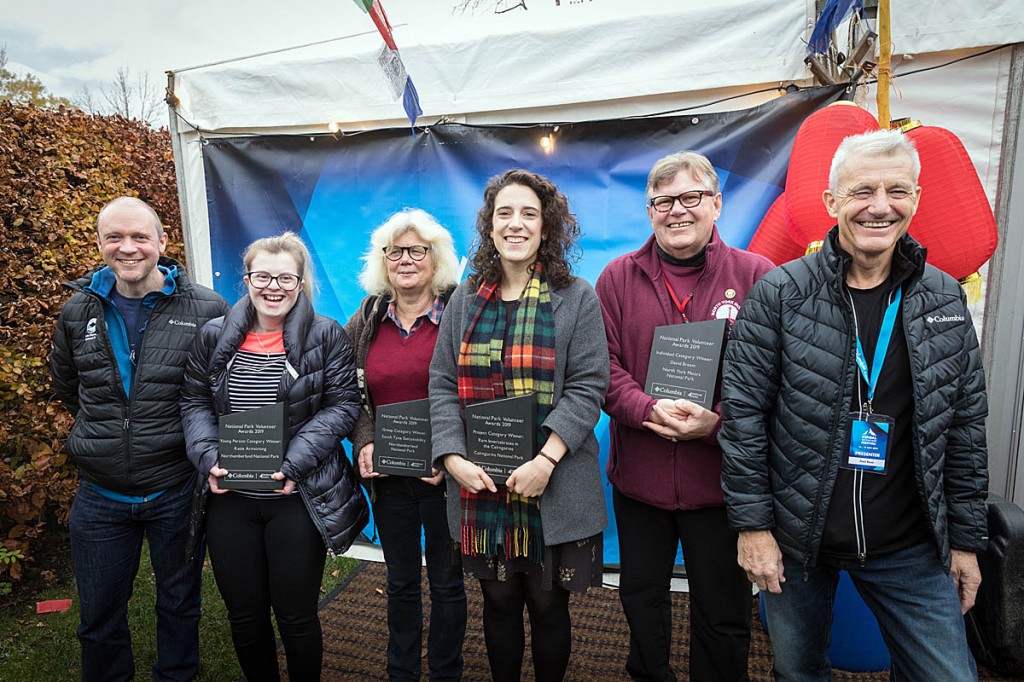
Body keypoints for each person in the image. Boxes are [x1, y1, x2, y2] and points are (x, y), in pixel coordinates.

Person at [719, 129, 989, 681]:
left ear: (915, 200)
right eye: (863, 189)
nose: (880, 206)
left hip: (909, 540)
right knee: (798, 670)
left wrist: (965, 542)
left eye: (898, 191)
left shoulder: (943, 297)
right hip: (798, 537)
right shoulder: (781, 293)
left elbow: (964, 427)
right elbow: (743, 416)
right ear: (832, 202)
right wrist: (753, 527)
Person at [595, 152, 774, 681]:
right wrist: (645, 408)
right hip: (640, 485)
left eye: (691, 197)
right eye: (664, 201)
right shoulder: (617, 278)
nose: (678, 210)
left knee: (723, 615)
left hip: (721, 488)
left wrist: (715, 423)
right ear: (650, 211)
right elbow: (600, 368)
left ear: (716, 204)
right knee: (641, 603)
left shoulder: (757, 276)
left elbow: (772, 382)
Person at [429, 169, 609, 682]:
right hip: (481, 486)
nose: (516, 224)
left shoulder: (577, 296)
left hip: (551, 482)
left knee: (550, 607)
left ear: (546, 228)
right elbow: (441, 381)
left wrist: (546, 461)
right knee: (499, 604)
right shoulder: (465, 297)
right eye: (504, 213)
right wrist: (451, 456)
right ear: (490, 227)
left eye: (529, 214)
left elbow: (588, 386)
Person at [50, 196, 229, 682]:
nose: (128, 248)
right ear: (100, 243)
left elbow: (221, 393)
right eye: (115, 237)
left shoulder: (207, 308)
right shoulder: (76, 310)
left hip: (175, 489)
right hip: (100, 495)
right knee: (99, 618)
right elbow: (69, 386)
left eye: (139, 237)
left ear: (162, 242)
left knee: (179, 605)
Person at [180, 232, 367, 682]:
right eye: (262, 275)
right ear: (246, 279)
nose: (273, 286)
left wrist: (293, 464)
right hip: (230, 497)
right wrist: (208, 458)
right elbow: (194, 402)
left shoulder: (326, 335)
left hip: (295, 496)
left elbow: (343, 405)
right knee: (244, 617)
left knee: (297, 615)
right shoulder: (213, 335)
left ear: (301, 282)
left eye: (286, 277)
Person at [344, 209, 467, 681]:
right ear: (384, 260)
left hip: (445, 474)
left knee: (447, 583)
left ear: (436, 259)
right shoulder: (369, 316)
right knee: (399, 582)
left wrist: (451, 453)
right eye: (396, 251)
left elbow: (479, 387)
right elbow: (349, 391)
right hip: (390, 476)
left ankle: (445, 671)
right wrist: (365, 440)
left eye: (418, 250)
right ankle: (401, 672)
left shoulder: (461, 310)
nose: (406, 259)